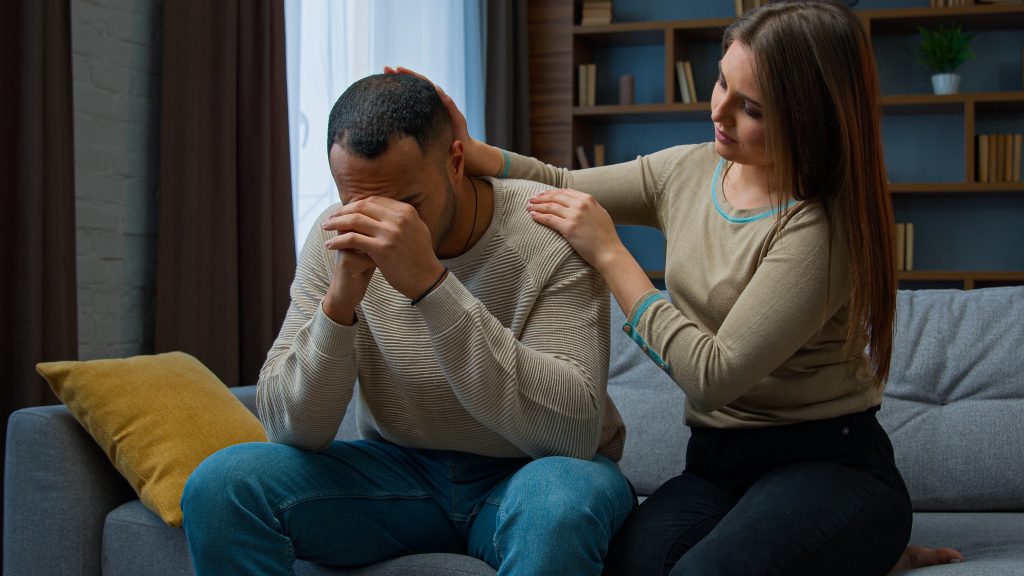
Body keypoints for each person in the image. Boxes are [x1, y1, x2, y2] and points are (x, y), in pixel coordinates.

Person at [396, 1, 965, 574]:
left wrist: (611, 253)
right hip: (717, 465)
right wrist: (470, 150)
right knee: (622, 565)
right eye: (721, 81)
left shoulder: (820, 226)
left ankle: (864, 543)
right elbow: (562, 184)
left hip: (829, 463)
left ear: (809, 120)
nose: (719, 110)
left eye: (752, 109)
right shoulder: (690, 171)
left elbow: (712, 377)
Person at [179, 73, 635, 575]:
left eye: (408, 203)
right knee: (221, 485)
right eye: (358, 201)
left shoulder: (550, 231)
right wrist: (340, 303)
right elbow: (290, 431)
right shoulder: (334, 235)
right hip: (400, 476)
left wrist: (431, 286)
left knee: (558, 503)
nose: (384, 222)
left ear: (455, 162)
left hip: (533, 472)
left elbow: (569, 432)